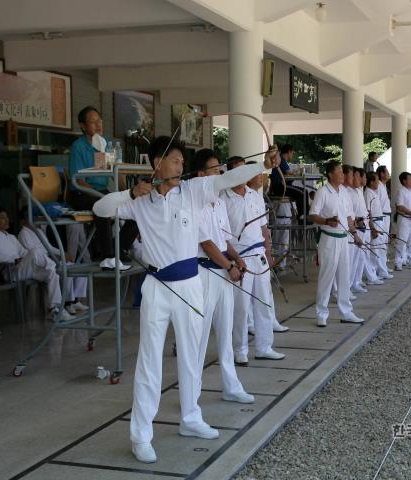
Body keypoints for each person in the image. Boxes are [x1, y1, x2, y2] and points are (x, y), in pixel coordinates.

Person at [92, 136, 280, 464]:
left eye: (181, 161)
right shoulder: (141, 200)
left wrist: (262, 165)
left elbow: (226, 178)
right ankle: (141, 435)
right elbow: (100, 209)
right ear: (157, 163)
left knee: (192, 354)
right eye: (174, 160)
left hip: (190, 283)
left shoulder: (193, 191)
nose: (180, 165)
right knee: (149, 361)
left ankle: (191, 418)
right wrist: (129, 192)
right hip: (157, 286)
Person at [194, 149, 254, 404]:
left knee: (225, 331)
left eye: (220, 168)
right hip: (205, 272)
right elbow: (207, 244)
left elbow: (223, 239)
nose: (220, 172)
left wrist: (237, 259)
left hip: (223, 270)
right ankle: (192, 392)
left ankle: (231, 386)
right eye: (214, 168)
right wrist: (229, 266)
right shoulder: (194, 202)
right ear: (200, 175)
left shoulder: (218, 201)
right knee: (200, 334)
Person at [222, 157, 286, 366]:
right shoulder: (223, 197)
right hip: (239, 258)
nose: (242, 176)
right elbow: (221, 236)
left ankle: (264, 347)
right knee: (241, 307)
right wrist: (233, 260)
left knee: (264, 301)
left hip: (259, 254)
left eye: (245, 171)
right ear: (229, 174)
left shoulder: (254, 195)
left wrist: (269, 253)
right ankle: (240, 349)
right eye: (237, 172)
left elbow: (263, 228)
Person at [68, 106, 138, 270]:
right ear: (83, 126)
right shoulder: (78, 147)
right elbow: (77, 180)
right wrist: (101, 197)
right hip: (82, 193)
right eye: (93, 122)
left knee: (134, 206)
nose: (98, 125)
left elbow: (116, 170)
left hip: (102, 191)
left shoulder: (106, 144)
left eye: (99, 121)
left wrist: (125, 193)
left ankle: (119, 250)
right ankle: (108, 257)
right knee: (103, 206)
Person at [0, 208, 73, 321]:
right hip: (10, 272)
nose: (6, 219)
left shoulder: (12, 237)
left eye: (6, 217)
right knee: (35, 252)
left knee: (52, 273)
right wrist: (15, 259)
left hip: (22, 269)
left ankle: (55, 309)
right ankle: (54, 264)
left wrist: (23, 258)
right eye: (2, 217)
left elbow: (24, 253)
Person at [308, 161, 363, 327]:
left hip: (344, 238)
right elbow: (312, 215)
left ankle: (346, 312)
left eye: (342, 171)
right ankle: (321, 313)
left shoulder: (344, 192)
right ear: (331, 174)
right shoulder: (323, 192)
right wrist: (325, 220)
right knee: (327, 276)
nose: (342, 174)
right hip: (329, 238)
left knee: (344, 277)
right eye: (339, 171)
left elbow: (348, 217)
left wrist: (355, 234)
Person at [17, 210, 89, 315]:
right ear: (23, 221)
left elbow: (50, 247)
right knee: (66, 269)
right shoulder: (23, 233)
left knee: (77, 267)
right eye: (31, 217)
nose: (34, 219)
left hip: (50, 258)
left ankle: (75, 300)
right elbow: (32, 253)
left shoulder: (38, 231)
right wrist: (55, 257)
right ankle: (67, 303)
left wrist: (63, 253)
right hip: (40, 263)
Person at [365, 172, 393, 280]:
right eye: (376, 180)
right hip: (375, 222)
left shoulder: (373, 192)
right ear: (371, 182)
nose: (378, 182)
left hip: (380, 220)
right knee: (375, 249)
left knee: (381, 247)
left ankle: (381, 270)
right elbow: (368, 211)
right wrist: (372, 228)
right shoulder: (368, 193)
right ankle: (372, 274)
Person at [394, 172, 411, 271]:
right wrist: (410, 213)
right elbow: (400, 206)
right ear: (404, 181)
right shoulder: (401, 191)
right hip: (404, 219)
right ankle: (398, 262)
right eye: (410, 179)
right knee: (401, 240)